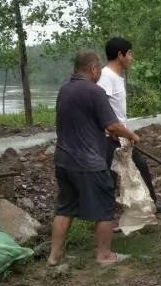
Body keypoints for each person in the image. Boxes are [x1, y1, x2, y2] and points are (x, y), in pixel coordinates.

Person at [48, 50, 140, 267]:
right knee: (105, 207)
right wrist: (131, 135)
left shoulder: (64, 90)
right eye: (98, 69)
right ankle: (104, 256)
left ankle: (54, 256)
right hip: (88, 162)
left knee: (65, 207)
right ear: (93, 69)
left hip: (63, 160)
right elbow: (112, 125)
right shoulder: (94, 91)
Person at [98, 37, 161, 214]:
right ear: (120, 55)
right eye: (129, 53)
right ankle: (106, 215)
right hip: (110, 137)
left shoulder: (115, 77)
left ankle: (151, 204)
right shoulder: (106, 77)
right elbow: (99, 106)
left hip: (121, 135)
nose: (131, 57)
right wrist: (111, 129)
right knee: (110, 175)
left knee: (140, 165)